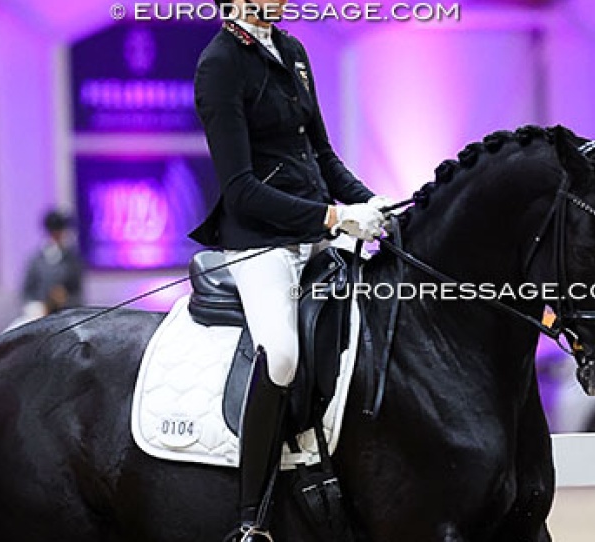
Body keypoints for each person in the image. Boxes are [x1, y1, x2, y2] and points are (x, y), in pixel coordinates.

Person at [189, 2, 391, 539]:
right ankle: (250, 517)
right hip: (259, 244)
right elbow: (242, 190)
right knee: (280, 352)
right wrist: (332, 216)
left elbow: (322, 155)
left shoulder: (293, 51)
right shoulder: (220, 64)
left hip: (316, 235)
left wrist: (373, 203)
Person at [19, 210, 85, 324]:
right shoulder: (37, 260)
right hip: (40, 313)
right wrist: (39, 305)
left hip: (65, 314)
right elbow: (27, 291)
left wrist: (65, 300)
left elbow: (77, 291)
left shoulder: (72, 260)